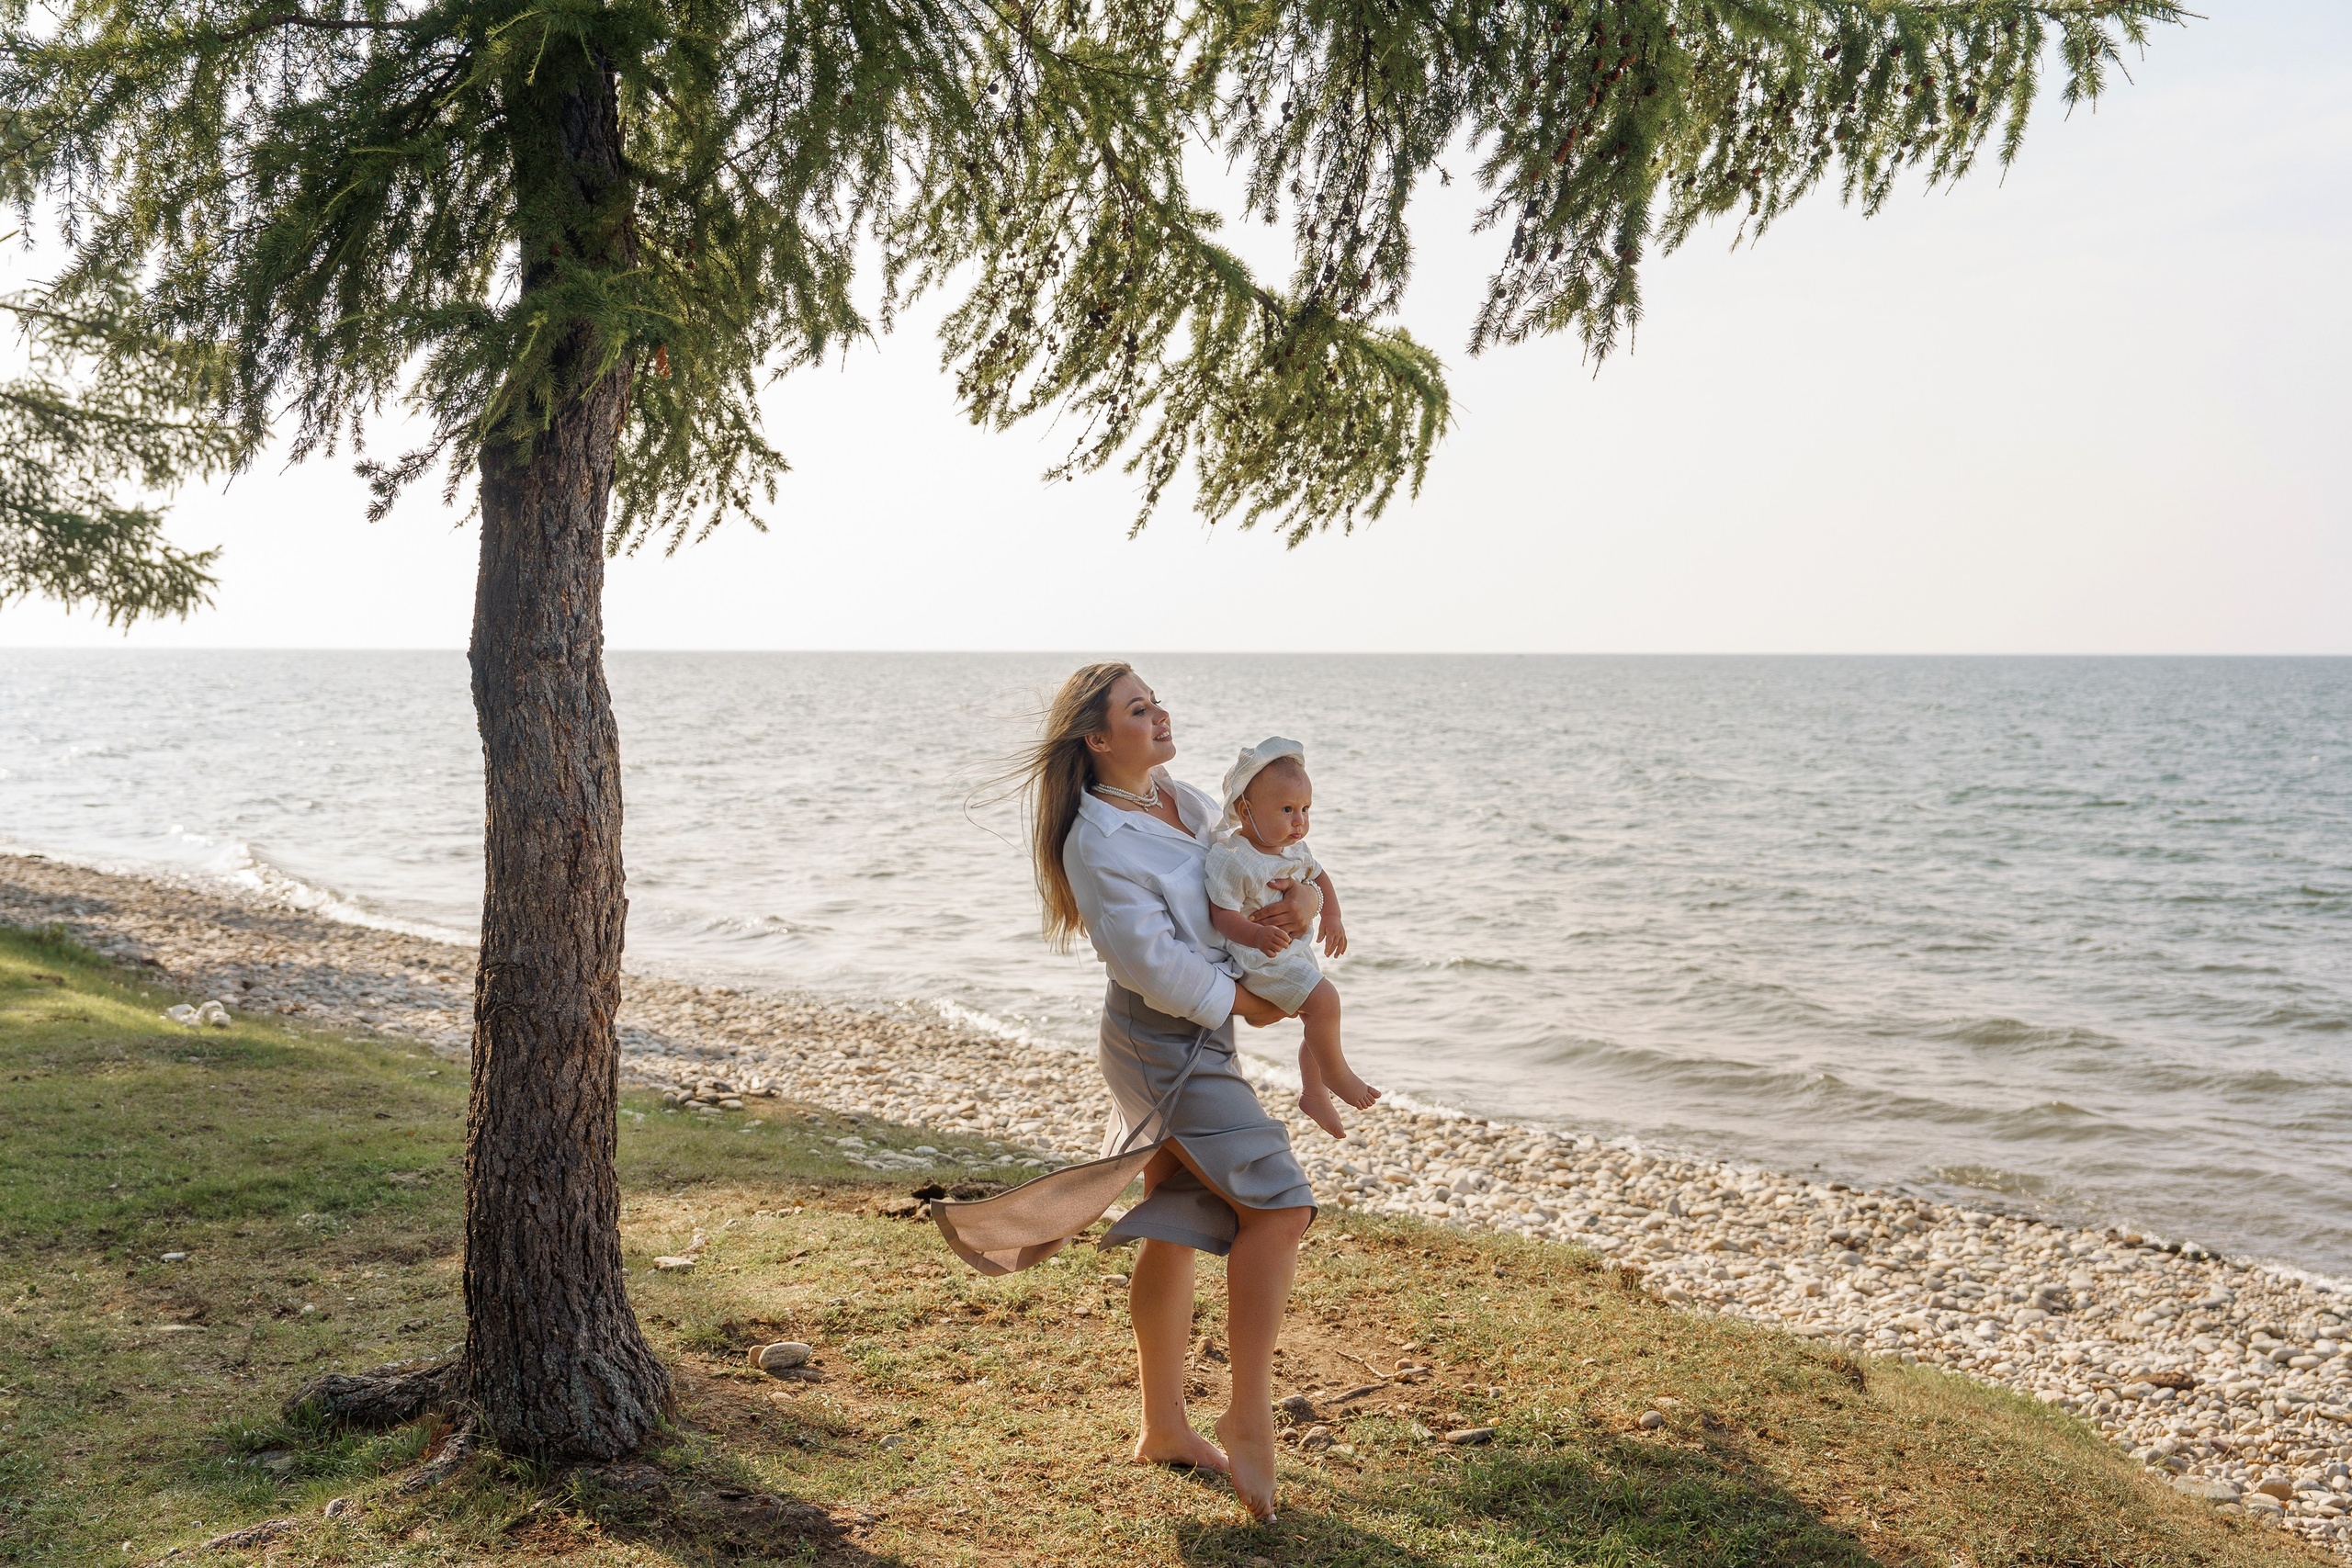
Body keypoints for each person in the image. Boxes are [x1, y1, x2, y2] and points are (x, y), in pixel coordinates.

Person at [1018, 661, 1321, 1521]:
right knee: (1279, 1205)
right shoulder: (1097, 840)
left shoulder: (1183, 801)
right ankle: (1249, 1412)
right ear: (1098, 738)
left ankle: (1162, 1425)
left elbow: (1249, 867)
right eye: (1138, 709)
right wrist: (1249, 1002)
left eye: (1157, 702)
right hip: (1159, 1039)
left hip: (1197, 1031)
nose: (1159, 715)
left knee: (1180, 1212)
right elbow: (1152, 964)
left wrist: (1297, 902)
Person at [1204, 739, 1379, 1138]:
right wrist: (1255, 933)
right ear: (1245, 810)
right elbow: (1222, 913)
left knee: (1318, 1020)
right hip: (1259, 956)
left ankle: (1314, 1092)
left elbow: (1319, 877)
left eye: (1305, 809)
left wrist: (1330, 915)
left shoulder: (1293, 849)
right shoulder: (1233, 859)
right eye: (1286, 809)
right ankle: (1337, 1075)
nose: (1299, 820)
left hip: (1291, 952)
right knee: (1325, 1002)